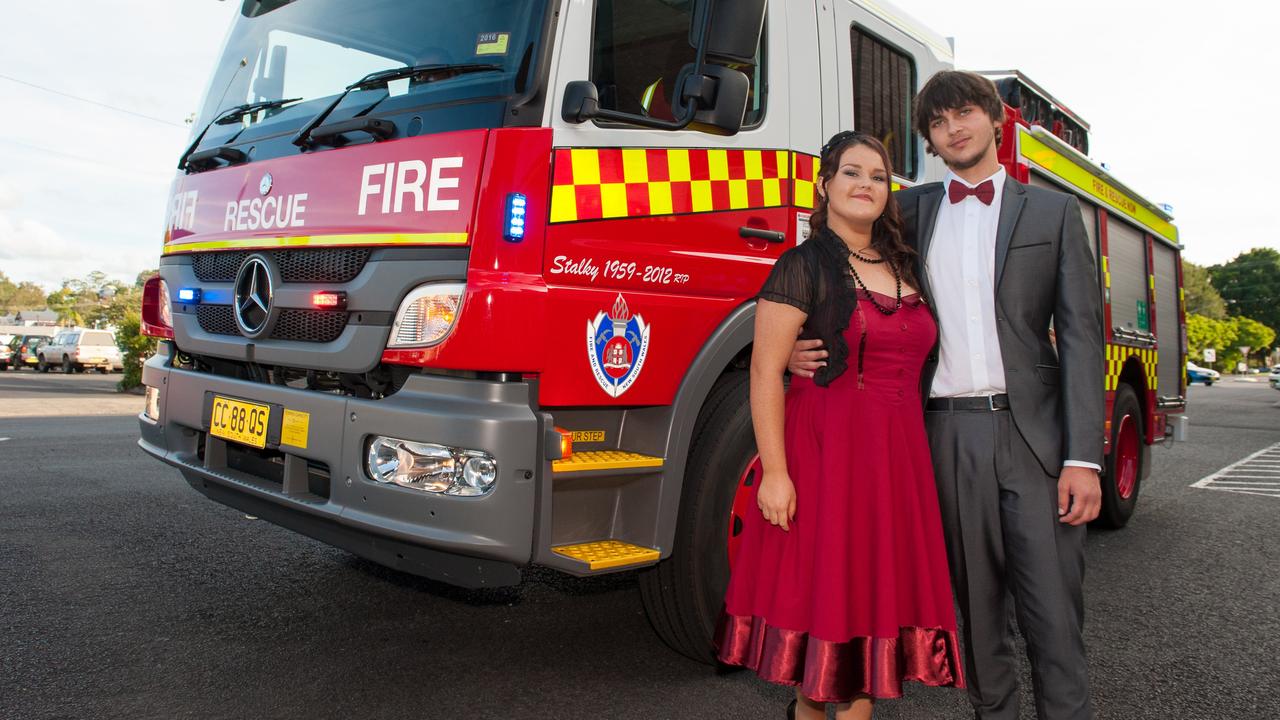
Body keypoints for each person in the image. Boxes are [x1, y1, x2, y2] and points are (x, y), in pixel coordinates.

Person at [789, 71, 1105, 720]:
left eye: (964, 113)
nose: (953, 128)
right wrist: (793, 339)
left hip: (1034, 442)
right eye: (937, 122)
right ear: (929, 140)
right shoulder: (907, 211)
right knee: (976, 620)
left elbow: (1080, 339)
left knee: (1053, 617)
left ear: (994, 121)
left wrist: (1085, 458)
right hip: (941, 438)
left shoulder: (1052, 213)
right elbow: (833, 267)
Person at [717, 132, 965, 720]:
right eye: (851, 173)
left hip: (897, 466)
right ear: (825, 186)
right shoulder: (803, 265)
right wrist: (774, 473)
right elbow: (764, 373)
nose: (865, 185)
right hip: (828, 460)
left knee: (868, 640)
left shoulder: (905, 265)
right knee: (825, 639)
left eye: (878, 176)